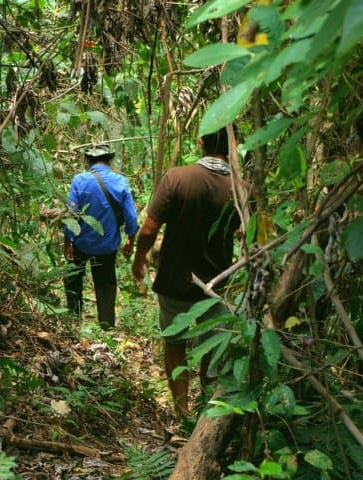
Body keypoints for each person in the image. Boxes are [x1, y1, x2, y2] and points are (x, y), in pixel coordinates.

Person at [131, 128, 242, 418]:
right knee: (211, 347)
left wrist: (139, 258)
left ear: (201, 142)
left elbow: (149, 230)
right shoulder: (241, 188)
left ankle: (183, 413)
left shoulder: (177, 178)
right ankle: (208, 412)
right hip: (217, 284)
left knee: (175, 343)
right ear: (233, 146)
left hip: (174, 281)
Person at [64, 143, 139, 330]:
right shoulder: (120, 181)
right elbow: (131, 217)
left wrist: (68, 242)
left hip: (81, 243)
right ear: (110, 160)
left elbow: (71, 214)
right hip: (107, 246)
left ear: (88, 161)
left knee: (73, 278)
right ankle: (106, 326)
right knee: (105, 283)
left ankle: (74, 321)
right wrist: (130, 240)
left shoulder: (79, 180)